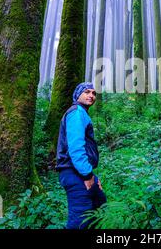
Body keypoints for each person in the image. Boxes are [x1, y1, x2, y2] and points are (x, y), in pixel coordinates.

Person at [56, 82, 107, 229]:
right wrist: (87, 175)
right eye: (87, 92)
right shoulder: (77, 112)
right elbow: (76, 148)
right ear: (77, 95)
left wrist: (92, 177)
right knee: (80, 221)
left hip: (77, 171)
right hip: (75, 172)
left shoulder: (81, 113)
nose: (91, 95)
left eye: (94, 93)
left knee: (99, 203)